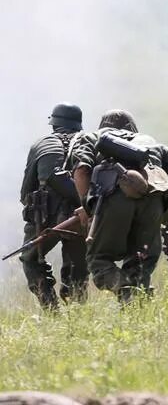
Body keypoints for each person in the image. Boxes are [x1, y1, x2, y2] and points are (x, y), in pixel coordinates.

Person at [70, 109, 168, 302]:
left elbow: (81, 171)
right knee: (140, 261)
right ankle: (135, 304)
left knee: (99, 261)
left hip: (112, 202)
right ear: (132, 128)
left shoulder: (92, 138)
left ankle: (125, 289)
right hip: (153, 201)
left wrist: (88, 208)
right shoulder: (151, 143)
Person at [19, 103, 89, 309]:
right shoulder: (87, 143)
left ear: (53, 123)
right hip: (79, 213)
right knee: (77, 264)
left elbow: (26, 189)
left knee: (30, 259)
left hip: (45, 215)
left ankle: (50, 308)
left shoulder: (41, 144)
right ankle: (77, 310)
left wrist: (30, 210)